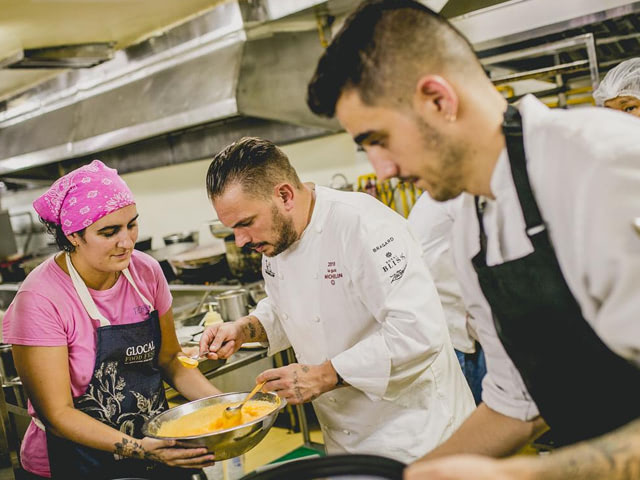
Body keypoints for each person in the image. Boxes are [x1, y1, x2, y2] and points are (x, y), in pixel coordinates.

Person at [306, 1, 640, 479]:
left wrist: (522, 475)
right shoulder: (472, 221)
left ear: (439, 100)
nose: (383, 169)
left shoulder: (601, 167)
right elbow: (515, 402)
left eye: (379, 139)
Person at [199, 137, 474, 464]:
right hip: (345, 437)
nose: (241, 240)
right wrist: (246, 329)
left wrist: (324, 375)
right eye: (233, 229)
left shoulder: (363, 225)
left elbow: (418, 332)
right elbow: (291, 306)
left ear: (284, 195)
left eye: (246, 223)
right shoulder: (274, 240)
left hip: (418, 433)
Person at [3, 160, 220, 479]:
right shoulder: (40, 298)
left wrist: (230, 409)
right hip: (76, 462)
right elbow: (57, 414)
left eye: (132, 224)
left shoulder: (146, 273)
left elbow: (171, 359)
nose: (127, 242)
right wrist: (139, 447)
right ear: (73, 235)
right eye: (109, 232)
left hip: (155, 447)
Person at [407, 193, 486, 405]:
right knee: (478, 410)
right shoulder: (456, 196)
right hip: (458, 325)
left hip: (457, 322)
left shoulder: (436, 199)